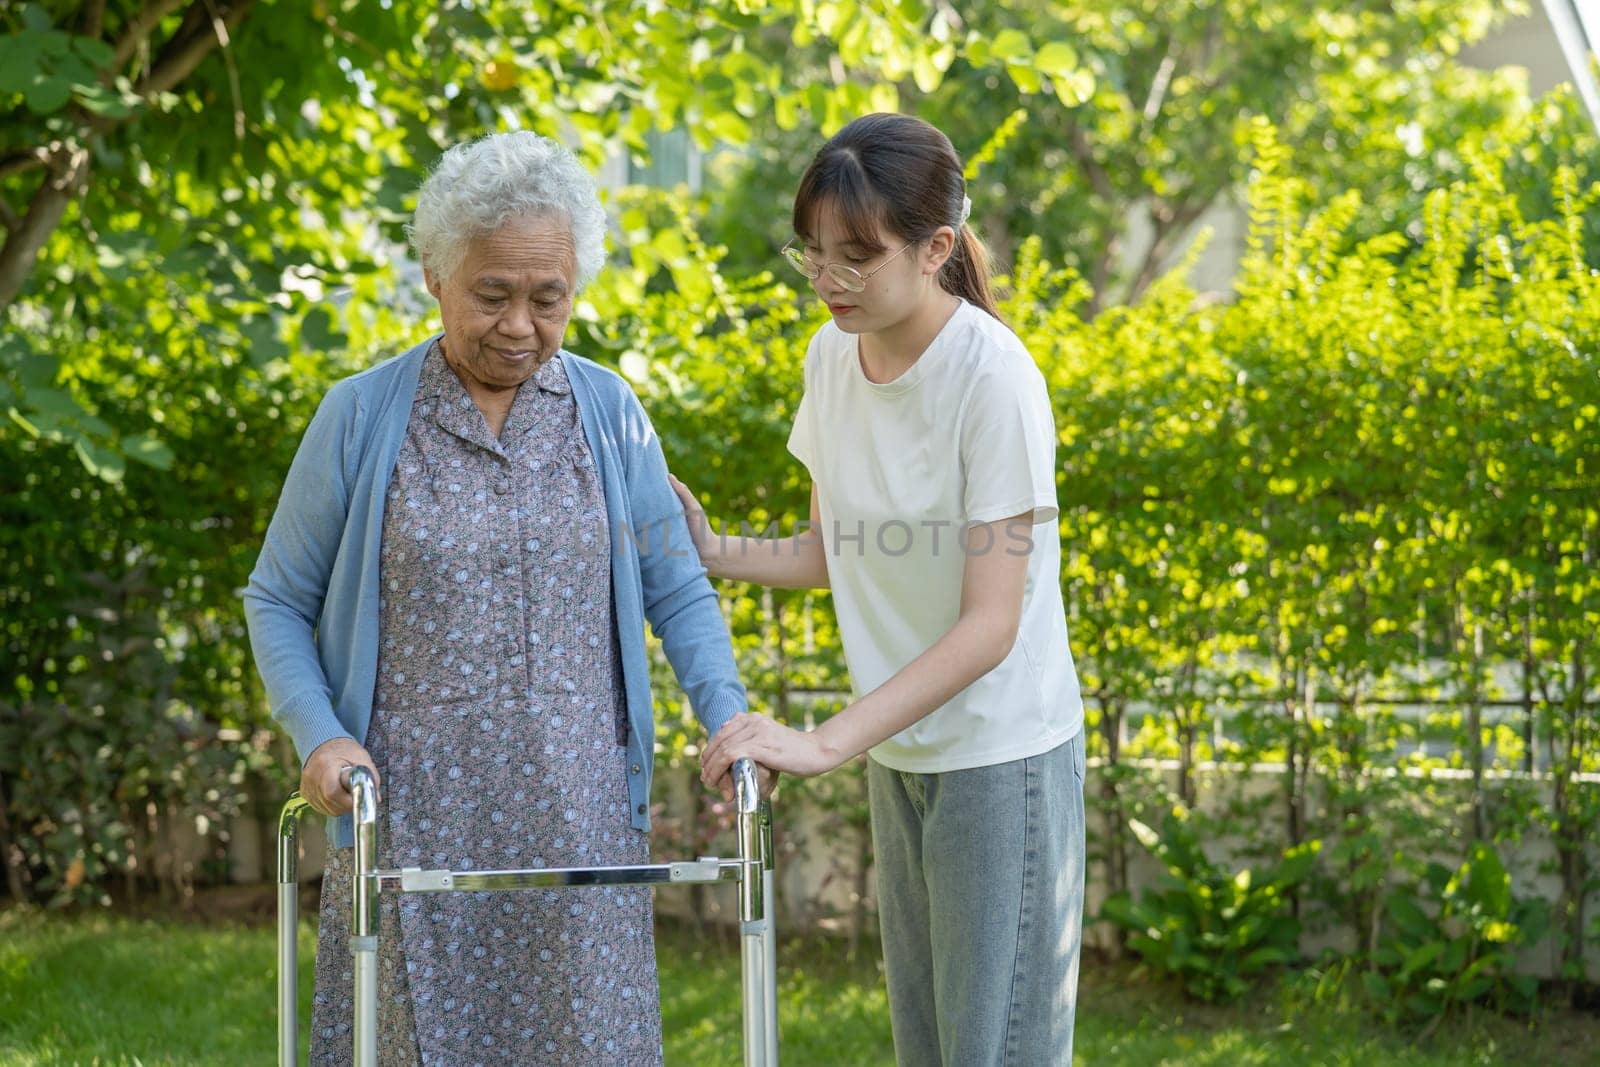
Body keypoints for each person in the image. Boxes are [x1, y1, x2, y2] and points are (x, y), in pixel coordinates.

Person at [244, 130, 754, 1065]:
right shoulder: (359, 416)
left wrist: (730, 720)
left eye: (547, 298)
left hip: (580, 811)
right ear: (436, 273)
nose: (520, 323)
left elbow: (678, 586)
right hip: (408, 812)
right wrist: (320, 736)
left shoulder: (610, 414)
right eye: (493, 294)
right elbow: (276, 597)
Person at [671, 112, 1086, 1066]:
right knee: (930, 1051)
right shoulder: (832, 357)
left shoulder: (995, 380)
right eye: (812, 253)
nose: (828, 279)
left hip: (1001, 759)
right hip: (903, 756)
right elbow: (832, 551)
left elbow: (991, 625)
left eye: (857, 256)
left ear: (937, 247)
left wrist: (822, 741)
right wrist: (713, 549)